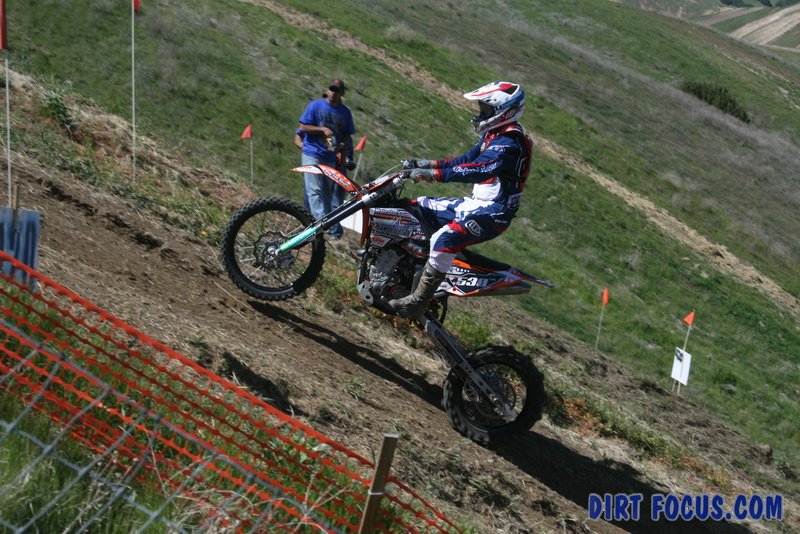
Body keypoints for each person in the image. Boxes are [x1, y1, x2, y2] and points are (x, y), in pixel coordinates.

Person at [389, 81, 532, 318]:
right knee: (417, 207)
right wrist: (427, 164)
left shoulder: (510, 143)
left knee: (443, 239)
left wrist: (434, 175)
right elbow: (465, 160)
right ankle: (408, 267)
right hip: (476, 205)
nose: (481, 114)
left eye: (486, 109)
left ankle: (418, 301)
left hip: (494, 213)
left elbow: (478, 169)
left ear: (504, 111)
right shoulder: (494, 134)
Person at [297, 78, 356, 240]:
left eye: (336, 90)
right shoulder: (315, 106)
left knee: (327, 193)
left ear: (342, 93)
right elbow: (302, 127)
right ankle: (321, 227)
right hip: (312, 153)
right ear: (327, 90)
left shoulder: (345, 113)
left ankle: (318, 223)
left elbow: (347, 135)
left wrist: (343, 145)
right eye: (331, 89)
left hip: (330, 157)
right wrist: (322, 129)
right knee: (314, 190)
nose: (333, 93)